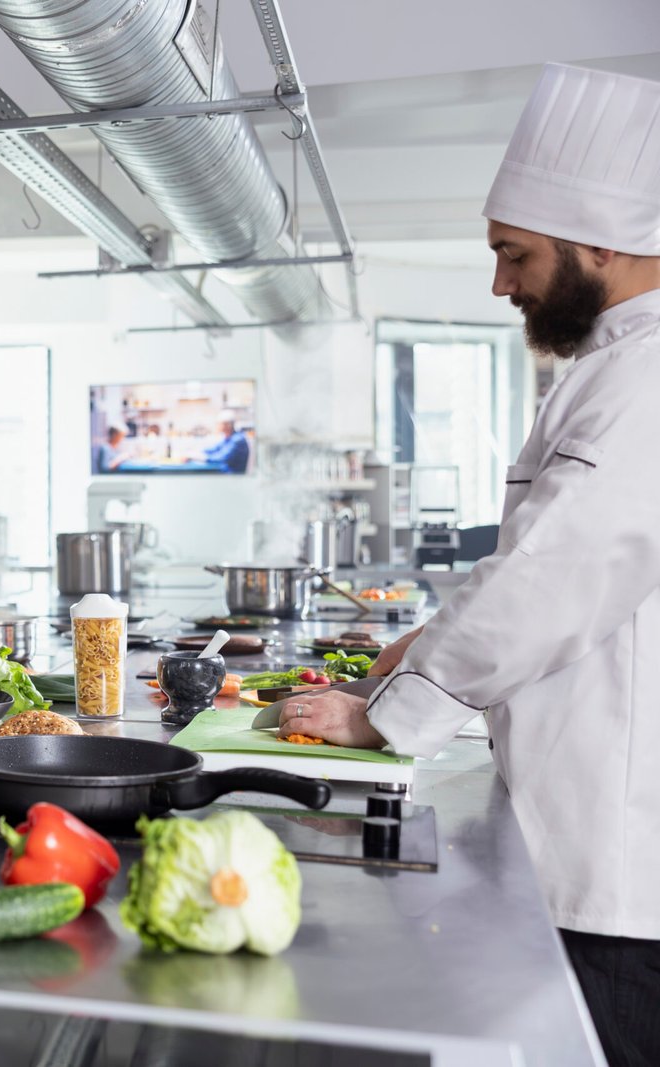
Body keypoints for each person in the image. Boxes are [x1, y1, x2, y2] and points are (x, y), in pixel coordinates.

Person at [273, 64, 660, 1066]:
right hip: (588, 835)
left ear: (601, 242)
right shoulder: (614, 364)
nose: (500, 283)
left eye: (513, 253)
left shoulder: (647, 374)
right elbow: (550, 562)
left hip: (619, 871)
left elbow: (560, 573)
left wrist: (386, 713)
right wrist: (421, 644)